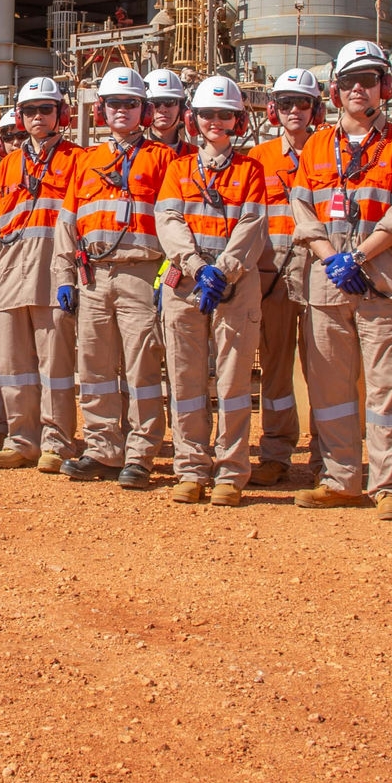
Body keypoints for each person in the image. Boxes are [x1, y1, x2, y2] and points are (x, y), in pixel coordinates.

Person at [290, 40, 392, 513]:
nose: (358, 89)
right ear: (335, 90)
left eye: (368, 80)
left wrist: (359, 257)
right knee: (330, 386)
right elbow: (302, 209)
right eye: (350, 81)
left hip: (383, 282)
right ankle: (340, 478)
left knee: (387, 386)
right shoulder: (316, 145)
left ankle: (389, 486)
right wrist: (332, 258)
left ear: (384, 88)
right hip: (329, 283)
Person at [55, 66, 176, 489]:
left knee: (142, 365)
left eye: (130, 103)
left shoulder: (163, 158)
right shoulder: (88, 161)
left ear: (143, 110)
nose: (121, 110)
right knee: (94, 365)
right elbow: (66, 224)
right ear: (101, 110)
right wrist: (64, 276)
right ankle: (102, 447)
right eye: (113, 104)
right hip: (93, 276)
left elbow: (176, 222)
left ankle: (142, 453)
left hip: (141, 273)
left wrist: (167, 277)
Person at [156, 76, 271, 505]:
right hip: (186, 285)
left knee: (233, 382)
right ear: (194, 120)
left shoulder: (250, 170)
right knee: (185, 381)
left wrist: (222, 272)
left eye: (225, 115)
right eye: (208, 114)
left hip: (235, 287)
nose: (216, 122)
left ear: (238, 121)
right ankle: (190, 468)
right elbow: (168, 222)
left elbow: (252, 226)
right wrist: (197, 267)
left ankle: (231, 472)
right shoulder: (179, 169)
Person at [0, 78, 82, 472]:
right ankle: (21, 440)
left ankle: (57, 442)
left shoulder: (77, 161)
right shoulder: (8, 166)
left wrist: (70, 276)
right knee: (14, 365)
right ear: (21, 117)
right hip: (10, 276)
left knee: (54, 366)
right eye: (31, 110)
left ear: (61, 114)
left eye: (46, 109)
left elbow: (80, 224)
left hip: (53, 277)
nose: (38, 117)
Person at [247, 67, 321, 487]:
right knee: (274, 368)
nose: (296, 110)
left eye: (303, 103)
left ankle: (327, 457)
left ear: (315, 108)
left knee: (325, 369)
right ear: (274, 110)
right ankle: (276, 452)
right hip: (273, 277)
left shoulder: (331, 152)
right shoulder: (260, 159)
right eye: (287, 103)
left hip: (320, 276)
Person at [0, 107, 26, 444]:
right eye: (10, 136)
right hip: (4, 278)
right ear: (0, 142)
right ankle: (3, 423)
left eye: (21, 135)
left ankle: (37, 428)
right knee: (7, 358)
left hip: (41, 277)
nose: (16, 141)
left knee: (45, 359)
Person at [144, 68, 190, 153]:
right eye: (155, 103)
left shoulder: (196, 157)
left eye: (170, 102)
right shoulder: (131, 156)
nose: (162, 109)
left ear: (181, 108)